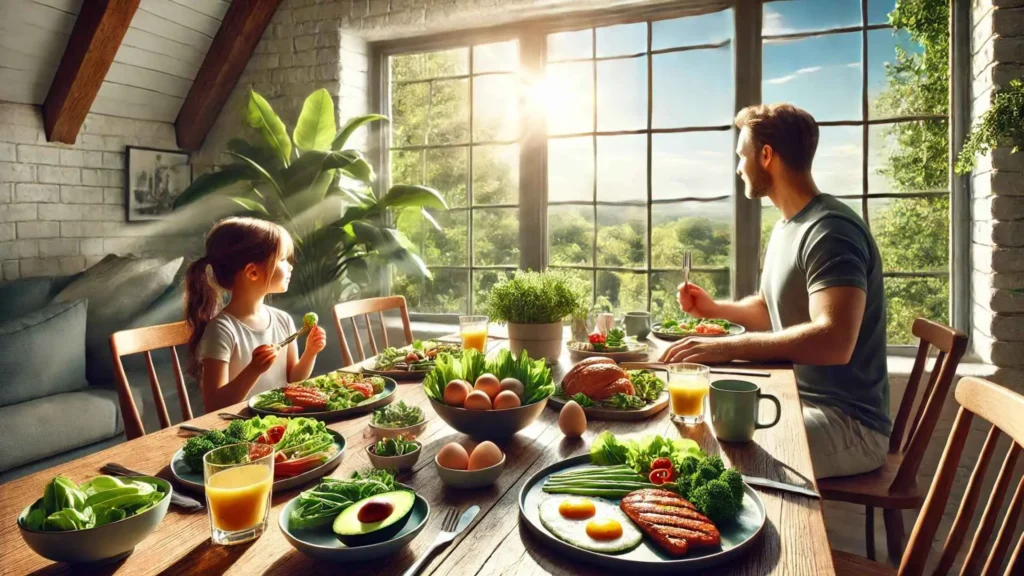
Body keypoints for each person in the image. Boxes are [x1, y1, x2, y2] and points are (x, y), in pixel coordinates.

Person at [660, 103, 890, 479]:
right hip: (799, 400)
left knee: (718, 460)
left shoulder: (831, 231)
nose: (738, 168)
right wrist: (714, 309)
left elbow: (835, 339)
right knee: (695, 440)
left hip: (849, 423)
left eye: (741, 155)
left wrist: (726, 347)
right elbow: (770, 310)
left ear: (766, 155)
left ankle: (784, 539)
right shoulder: (788, 226)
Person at [185, 217, 328, 412]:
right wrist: (254, 370)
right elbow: (215, 405)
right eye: (283, 259)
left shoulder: (282, 320)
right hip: (239, 430)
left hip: (278, 423)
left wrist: (310, 352)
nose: (290, 266)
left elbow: (294, 378)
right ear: (252, 272)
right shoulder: (222, 330)